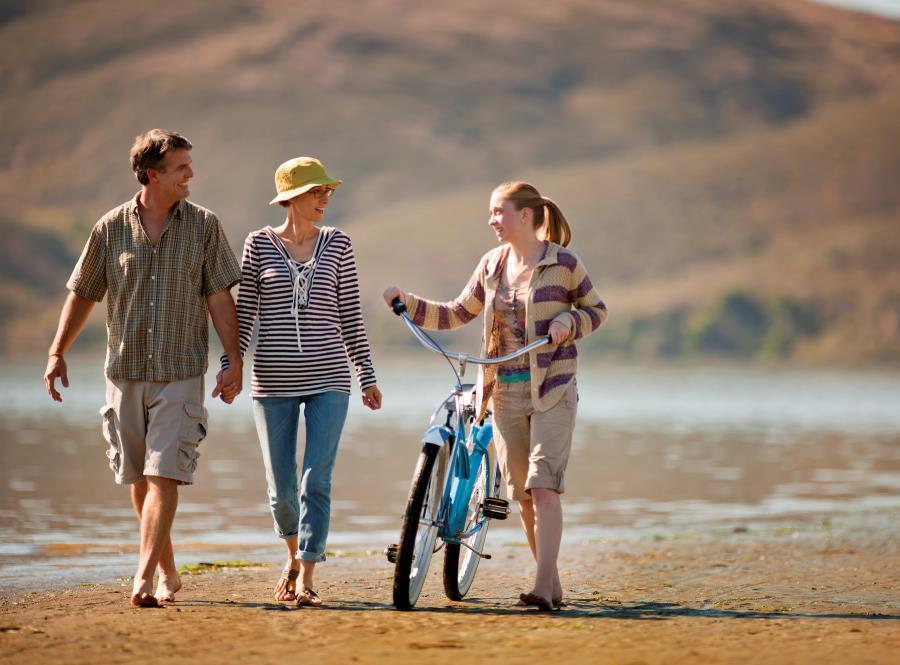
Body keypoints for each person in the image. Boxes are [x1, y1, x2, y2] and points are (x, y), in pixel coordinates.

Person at [383, 181, 606, 611]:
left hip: (552, 388)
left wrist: (567, 323)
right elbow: (456, 312)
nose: (491, 221)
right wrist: (407, 303)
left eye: (498, 212)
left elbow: (597, 310)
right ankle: (552, 584)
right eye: (491, 213)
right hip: (503, 391)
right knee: (523, 495)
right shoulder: (492, 264)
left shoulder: (563, 263)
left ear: (525, 215)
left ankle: (540, 590)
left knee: (544, 486)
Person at [43, 129, 243, 607]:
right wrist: (56, 351)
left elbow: (219, 297)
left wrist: (234, 359)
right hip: (124, 371)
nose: (191, 174)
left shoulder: (205, 226)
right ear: (152, 175)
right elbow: (83, 294)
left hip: (180, 370)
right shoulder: (110, 228)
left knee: (163, 474)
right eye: (181, 167)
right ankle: (168, 571)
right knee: (137, 477)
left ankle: (142, 576)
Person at [222, 156, 382, 607]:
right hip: (271, 382)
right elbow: (245, 314)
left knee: (316, 480)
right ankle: (291, 557)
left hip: (330, 378)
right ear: (291, 198)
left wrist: (366, 375)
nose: (324, 199)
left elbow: (350, 314)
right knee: (281, 490)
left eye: (327, 191)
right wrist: (231, 365)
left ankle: (308, 575)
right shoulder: (258, 244)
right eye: (316, 191)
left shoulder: (339, 244)